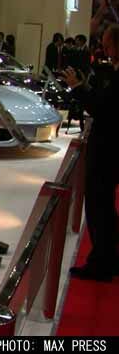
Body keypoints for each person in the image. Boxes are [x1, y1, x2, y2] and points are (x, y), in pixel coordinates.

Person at [61, 24, 119, 282]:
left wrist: (78, 88)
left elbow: (103, 109)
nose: (104, 49)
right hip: (108, 149)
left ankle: (102, 263)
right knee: (103, 208)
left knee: (98, 206)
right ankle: (107, 257)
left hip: (108, 151)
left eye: (108, 44)